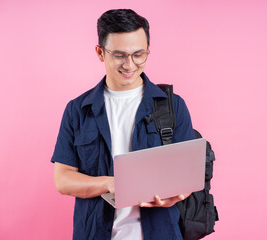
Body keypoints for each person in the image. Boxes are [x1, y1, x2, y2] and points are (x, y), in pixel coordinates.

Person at [51, 9, 195, 240]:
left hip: (161, 233)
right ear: (100, 52)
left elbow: (188, 173)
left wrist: (178, 194)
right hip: (95, 234)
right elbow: (63, 179)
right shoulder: (77, 110)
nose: (130, 65)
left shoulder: (172, 105)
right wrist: (112, 183)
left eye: (139, 54)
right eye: (119, 55)